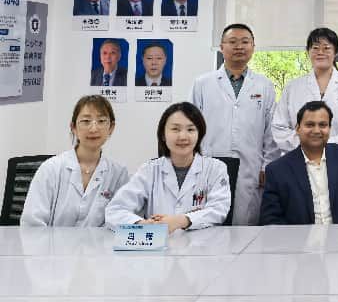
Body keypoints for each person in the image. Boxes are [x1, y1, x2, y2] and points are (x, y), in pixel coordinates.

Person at [190, 23, 279, 225]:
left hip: (250, 167)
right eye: (232, 42)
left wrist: (267, 165)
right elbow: (190, 126)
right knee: (208, 224)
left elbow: (271, 131)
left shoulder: (264, 85)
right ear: (222, 47)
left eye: (245, 42)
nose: (239, 46)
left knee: (245, 226)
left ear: (253, 47)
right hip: (209, 164)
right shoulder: (202, 83)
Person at [106, 102, 230, 232]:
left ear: (199, 134)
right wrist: (142, 224)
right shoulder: (149, 170)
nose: (183, 136)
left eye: (190, 129)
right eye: (175, 129)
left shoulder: (216, 169)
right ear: (163, 135)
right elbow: (115, 210)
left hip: (204, 243)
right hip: (160, 243)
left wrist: (181, 221)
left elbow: (219, 209)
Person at [260, 101, 338, 225]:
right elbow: (270, 218)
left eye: (322, 125)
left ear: (329, 128)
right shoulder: (277, 170)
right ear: (297, 128)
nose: (316, 130)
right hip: (299, 237)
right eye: (310, 125)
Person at [21, 95, 128, 227]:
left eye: (101, 121)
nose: (93, 129)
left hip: (99, 241)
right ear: (73, 128)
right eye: (86, 121)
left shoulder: (119, 174)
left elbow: (121, 222)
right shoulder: (51, 169)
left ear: (111, 128)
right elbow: (32, 225)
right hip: (52, 241)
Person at [272, 28, 338, 153]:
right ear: (308, 51)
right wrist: (306, 145)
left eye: (326, 48)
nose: (320, 52)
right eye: (315, 48)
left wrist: (328, 146)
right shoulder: (292, 87)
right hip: (300, 155)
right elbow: (279, 127)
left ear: (336, 52)